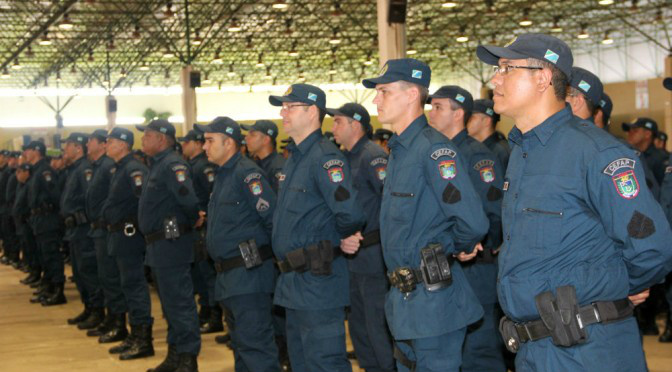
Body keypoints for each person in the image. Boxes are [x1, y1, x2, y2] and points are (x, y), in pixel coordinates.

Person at [476, 32, 672, 372]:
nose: (495, 78)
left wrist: (614, 289)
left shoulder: (596, 153)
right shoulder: (523, 152)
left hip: (588, 347)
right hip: (534, 348)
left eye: (507, 68)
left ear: (543, 77)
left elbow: (652, 247)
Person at [362, 58, 488, 372]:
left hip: (435, 305)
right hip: (405, 302)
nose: (376, 100)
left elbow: (472, 221)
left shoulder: (434, 151)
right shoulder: (400, 151)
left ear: (411, 96)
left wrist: (450, 250)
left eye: (384, 92)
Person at [269, 83, 365, 372]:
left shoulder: (325, 157)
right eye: (282, 107)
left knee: (324, 361)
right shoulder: (295, 158)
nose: (283, 113)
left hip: (317, 279)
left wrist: (340, 237)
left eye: (290, 107)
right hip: (293, 279)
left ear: (312, 112)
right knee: (301, 360)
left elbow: (349, 212)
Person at [427, 85, 506, 372]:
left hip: (476, 266)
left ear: (458, 113)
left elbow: (494, 210)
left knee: (478, 349)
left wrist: (473, 246)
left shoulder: (476, 156)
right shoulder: (436, 152)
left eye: (437, 107)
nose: (430, 113)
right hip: (445, 266)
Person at [198, 117, 280, 372]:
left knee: (256, 349)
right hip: (230, 277)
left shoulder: (247, 174)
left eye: (210, 141)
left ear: (229, 142)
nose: (204, 147)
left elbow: (272, 220)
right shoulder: (224, 175)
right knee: (243, 349)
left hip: (249, 275)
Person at [329, 102, 395, 372]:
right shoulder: (344, 158)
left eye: (338, 122)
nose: (333, 127)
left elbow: (390, 202)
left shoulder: (372, 156)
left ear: (355, 125)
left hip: (372, 255)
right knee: (358, 326)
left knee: (375, 324)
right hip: (352, 258)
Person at [137, 119, 201, 372]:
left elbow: (188, 199)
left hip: (171, 243)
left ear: (162, 139)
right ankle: (175, 355)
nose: (143, 140)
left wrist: (192, 218)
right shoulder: (157, 165)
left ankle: (187, 358)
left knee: (180, 303)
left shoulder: (172, 164)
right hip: (158, 246)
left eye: (147, 135)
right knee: (169, 305)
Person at [102, 127, 155, 360]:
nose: (106, 145)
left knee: (135, 287)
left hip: (129, 236)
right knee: (128, 286)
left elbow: (144, 202)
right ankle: (135, 335)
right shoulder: (121, 168)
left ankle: (143, 339)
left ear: (123, 144)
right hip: (121, 236)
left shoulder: (134, 169)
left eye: (110, 141)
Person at [83, 129, 129, 343]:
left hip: (107, 228)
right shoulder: (100, 166)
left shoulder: (109, 167)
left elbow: (112, 200)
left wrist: (103, 217)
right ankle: (111, 319)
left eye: (90, 140)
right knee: (105, 277)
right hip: (100, 229)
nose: (86, 144)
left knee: (111, 278)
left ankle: (118, 323)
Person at [177, 129, 221, 334]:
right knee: (200, 273)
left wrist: (205, 215)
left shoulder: (204, 166)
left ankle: (214, 315)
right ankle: (205, 310)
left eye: (186, 142)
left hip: (205, 225)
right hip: (198, 226)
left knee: (208, 273)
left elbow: (212, 194)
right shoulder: (193, 165)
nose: (183, 146)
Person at [25, 140, 65, 306]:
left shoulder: (45, 171)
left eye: (27, 150)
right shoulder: (37, 170)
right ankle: (48, 286)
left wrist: (49, 211)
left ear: (36, 151)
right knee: (44, 255)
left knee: (51, 255)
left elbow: (55, 196)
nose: (25, 154)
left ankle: (57, 290)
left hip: (48, 219)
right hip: (39, 220)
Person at [243, 120, 286, 194]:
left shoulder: (279, 168)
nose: (246, 138)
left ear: (266, 140)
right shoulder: (255, 164)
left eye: (252, 135)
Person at [623, 118, 669, 185]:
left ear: (647, 134)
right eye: (629, 130)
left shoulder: (660, 158)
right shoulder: (628, 155)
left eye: (635, 131)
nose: (629, 133)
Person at [468, 99, 510, 170]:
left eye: (471, 118)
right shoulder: (474, 147)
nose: (466, 122)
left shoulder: (500, 152)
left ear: (486, 121)